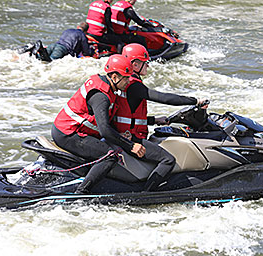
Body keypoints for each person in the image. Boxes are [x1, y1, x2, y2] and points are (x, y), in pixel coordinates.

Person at [112, 43, 208, 191]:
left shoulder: (125, 82)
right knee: (168, 160)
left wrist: (153, 120)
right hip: (131, 138)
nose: (148, 66)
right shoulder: (134, 85)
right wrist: (194, 100)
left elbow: (127, 115)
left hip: (126, 134)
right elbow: (163, 98)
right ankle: (147, 193)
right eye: (146, 63)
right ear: (135, 64)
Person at [51, 54, 146, 194]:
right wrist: (131, 146)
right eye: (126, 77)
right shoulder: (101, 97)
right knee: (110, 155)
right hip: (68, 134)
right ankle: (82, 192)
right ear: (114, 77)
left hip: (70, 130)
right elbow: (105, 131)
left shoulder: (106, 85)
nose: (128, 81)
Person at [18, 22, 94, 62]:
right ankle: (41, 51)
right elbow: (86, 52)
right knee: (50, 62)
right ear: (86, 31)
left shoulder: (68, 30)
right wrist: (91, 50)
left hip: (54, 45)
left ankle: (33, 49)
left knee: (39, 59)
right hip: (62, 49)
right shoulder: (82, 35)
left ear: (78, 27)